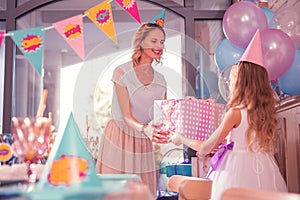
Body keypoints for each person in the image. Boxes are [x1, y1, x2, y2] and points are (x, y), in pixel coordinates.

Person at [169, 30, 287, 200]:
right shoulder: (267, 112)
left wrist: (181, 138)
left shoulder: (235, 113)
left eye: (232, 79)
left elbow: (204, 148)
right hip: (266, 167)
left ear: (241, 82)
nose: (230, 82)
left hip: (236, 170)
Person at [96, 22, 167, 197]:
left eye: (162, 42)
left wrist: (183, 106)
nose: (159, 46)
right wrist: (145, 128)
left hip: (143, 141)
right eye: (154, 41)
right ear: (141, 42)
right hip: (120, 137)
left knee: (141, 194)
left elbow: (162, 116)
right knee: (116, 194)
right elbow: (126, 116)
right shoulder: (121, 72)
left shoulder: (161, 79)